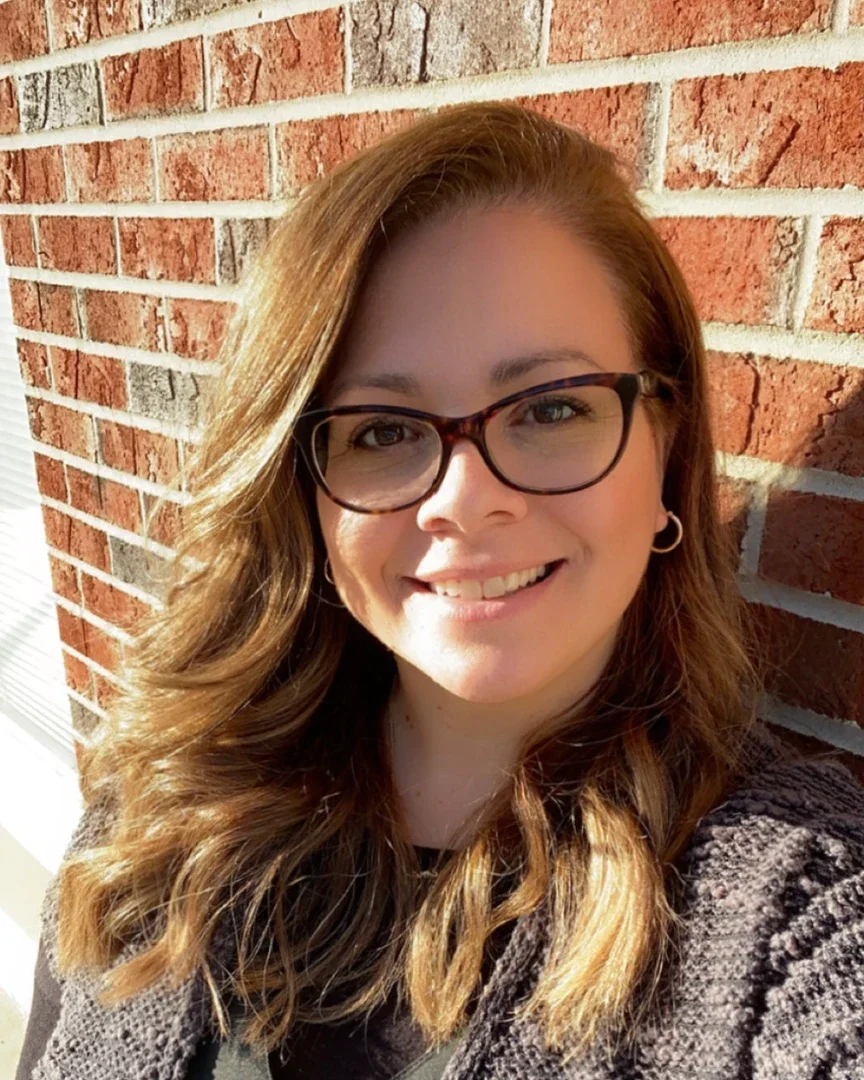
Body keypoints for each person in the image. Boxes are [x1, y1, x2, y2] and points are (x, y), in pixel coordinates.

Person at [16, 101, 864, 1080]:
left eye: (551, 408)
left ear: (667, 455)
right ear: (303, 491)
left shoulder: (783, 913)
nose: (466, 500)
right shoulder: (155, 819)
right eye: (382, 429)